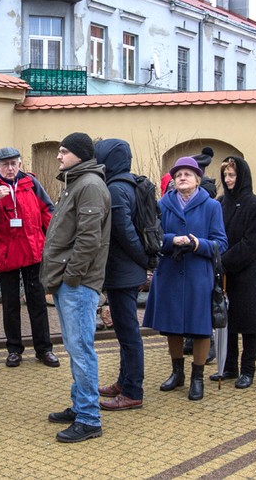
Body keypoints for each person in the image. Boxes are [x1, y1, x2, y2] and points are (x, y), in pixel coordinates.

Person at [41, 132, 111, 443]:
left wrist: (71, 276)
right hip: (70, 281)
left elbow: (88, 239)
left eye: (64, 151)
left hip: (79, 284)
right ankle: (80, 405)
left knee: (81, 349)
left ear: (80, 154)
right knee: (75, 347)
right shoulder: (76, 183)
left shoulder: (90, 185)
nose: (58, 156)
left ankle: (89, 419)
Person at [142, 157, 228, 401]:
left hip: (198, 276)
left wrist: (198, 244)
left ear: (197, 179)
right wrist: (172, 240)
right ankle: (177, 373)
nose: (182, 178)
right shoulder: (163, 204)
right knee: (172, 327)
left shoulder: (212, 206)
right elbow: (154, 238)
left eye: (188, 174)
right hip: (169, 273)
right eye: (178, 174)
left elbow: (221, 243)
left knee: (200, 328)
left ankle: (197, 378)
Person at [0, 147, 59, 368]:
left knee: (37, 302)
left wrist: (51, 241)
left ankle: (44, 349)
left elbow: (47, 210)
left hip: (33, 251)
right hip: (7, 254)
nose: (10, 168)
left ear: (19, 164)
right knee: (10, 305)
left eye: (13, 164)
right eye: (5, 165)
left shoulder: (31, 183)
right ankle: (14, 350)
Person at [94, 139, 148, 411]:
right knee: (126, 333)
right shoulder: (128, 183)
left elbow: (124, 232)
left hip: (122, 272)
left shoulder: (115, 188)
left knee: (128, 334)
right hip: (126, 270)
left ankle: (132, 391)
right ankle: (124, 381)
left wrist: (142, 260)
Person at [209, 156, 256, 389]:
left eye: (232, 175)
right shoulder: (221, 202)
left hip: (248, 271)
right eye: (225, 175)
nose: (228, 179)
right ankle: (230, 366)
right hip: (224, 272)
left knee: (249, 324)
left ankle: (248, 369)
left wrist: (224, 261)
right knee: (227, 322)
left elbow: (252, 243)